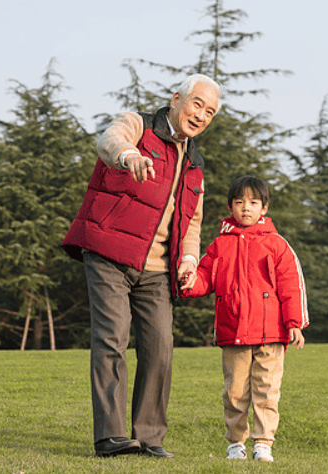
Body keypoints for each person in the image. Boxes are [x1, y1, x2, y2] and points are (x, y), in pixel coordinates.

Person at [62, 74, 222, 458]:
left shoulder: (195, 167)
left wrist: (187, 260)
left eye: (211, 112)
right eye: (197, 104)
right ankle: (111, 436)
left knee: (160, 347)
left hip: (156, 270)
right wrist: (129, 156)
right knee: (112, 336)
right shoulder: (138, 126)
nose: (201, 115)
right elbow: (108, 140)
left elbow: (193, 223)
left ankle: (149, 438)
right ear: (176, 99)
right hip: (110, 252)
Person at [180, 175, 309, 462]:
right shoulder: (219, 245)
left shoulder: (277, 245)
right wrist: (190, 282)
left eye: (253, 203)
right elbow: (204, 276)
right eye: (239, 203)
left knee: (266, 391)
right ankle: (235, 444)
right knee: (235, 393)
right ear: (230, 207)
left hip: (271, 334)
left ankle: (263, 443)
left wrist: (295, 323)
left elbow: (292, 286)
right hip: (233, 331)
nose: (246, 208)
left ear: (264, 207)